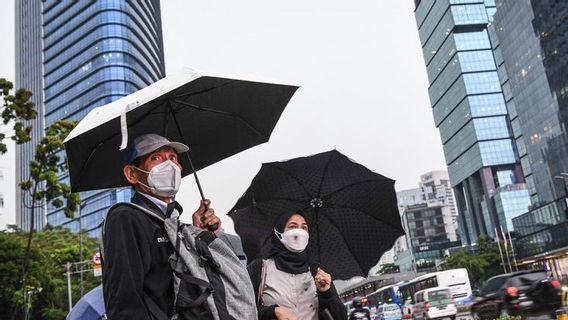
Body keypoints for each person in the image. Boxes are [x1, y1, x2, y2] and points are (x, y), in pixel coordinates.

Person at [102, 133, 221, 319]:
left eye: (172, 158)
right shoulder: (125, 218)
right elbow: (124, 299)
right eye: (156, 158)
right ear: (132, 174)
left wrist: (198, 235)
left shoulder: (173, 222)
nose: (169, 165)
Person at [247, 210, 347, 320]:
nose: (299, 232)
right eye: (293, 227)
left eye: (304, 228)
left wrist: (326, 293)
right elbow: (242, 309)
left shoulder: (316, 271)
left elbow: (340, 317)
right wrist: (273, 312)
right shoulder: (260, 269)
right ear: (278, 232)